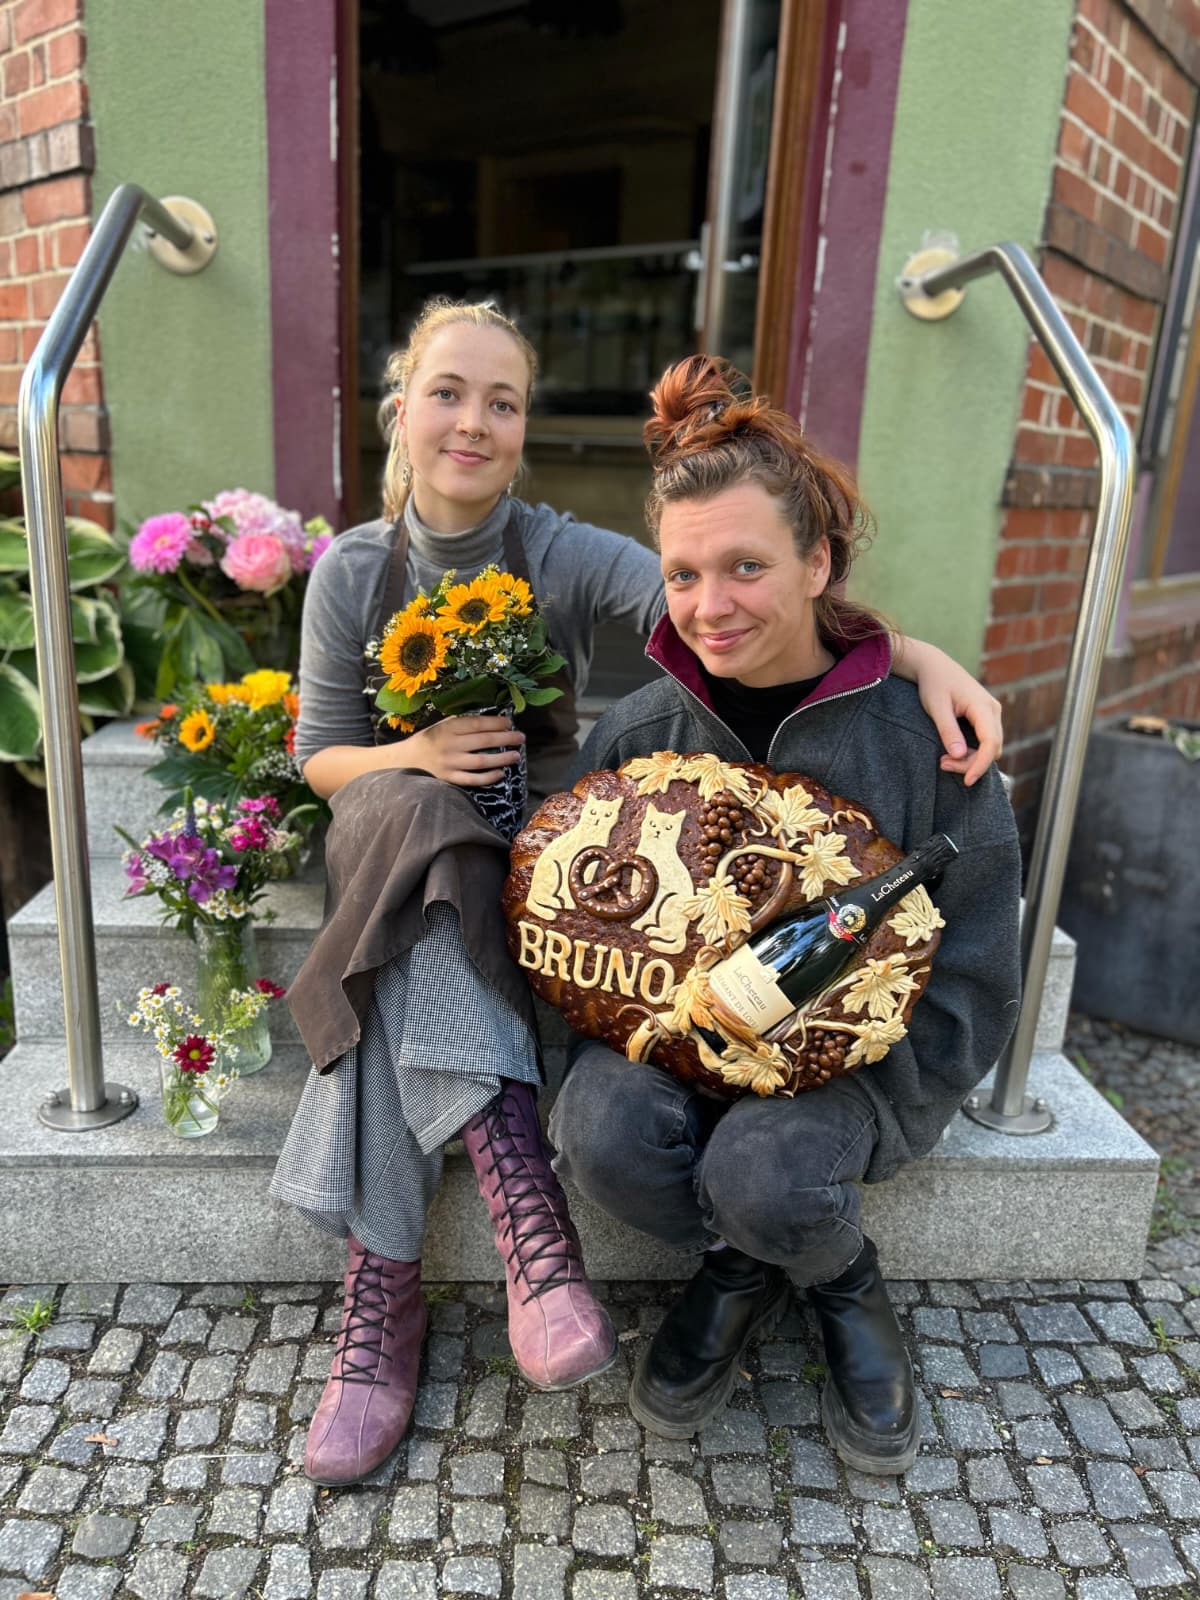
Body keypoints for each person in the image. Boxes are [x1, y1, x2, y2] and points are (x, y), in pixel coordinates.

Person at [271, 299, 1008, 1487]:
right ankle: (522, 1178)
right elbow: (320, 749)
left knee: (755, 1165)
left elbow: (719, 592)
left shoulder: (568, 557)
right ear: (397, 405)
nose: (474, 421)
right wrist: (413, 759)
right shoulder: (363, 574)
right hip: (412, 846)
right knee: (415, 844)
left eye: (503, 400)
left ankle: (774, 1269)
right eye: (447, 392)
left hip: (554, 893)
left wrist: (910, 656)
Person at [549, 354, 1022, 1475]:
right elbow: (581, 933)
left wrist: (878, 1085)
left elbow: (979, 969)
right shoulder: (636, 734)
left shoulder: (928, 746)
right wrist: (626, 1036)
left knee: (766, 1173)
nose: (709, 607)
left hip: (853, 1067)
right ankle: (747, 1259)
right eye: (681, 575)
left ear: (817, 562)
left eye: (746, 565)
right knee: (596, 1133)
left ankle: (834, 1279)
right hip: (675, 1037)